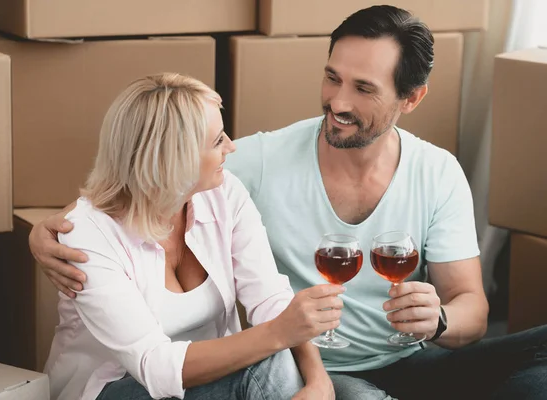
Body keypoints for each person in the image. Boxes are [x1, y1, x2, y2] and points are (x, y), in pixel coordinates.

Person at [31, 6, 547, 400]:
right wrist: (48, 232)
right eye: (332, 77)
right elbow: (141, 171)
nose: (338, 102)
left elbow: (472, 311)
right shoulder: (256, 161)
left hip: (405, 356)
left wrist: (438, 323)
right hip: (295, 365)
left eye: (364, 88)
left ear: (411, 99)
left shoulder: (437, 172)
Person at [41, 73, 339, 400]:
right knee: (266, 359)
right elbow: (154, 366)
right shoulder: (87, 235)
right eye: (217, 141)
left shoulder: (224, 194)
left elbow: (271, 301)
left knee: (278, 356)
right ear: (171, 160)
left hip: (213, 384)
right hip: (115, 388)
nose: (231, 147)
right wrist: (278, 334)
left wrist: (318, 382)